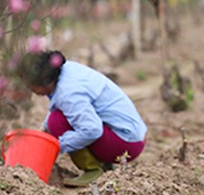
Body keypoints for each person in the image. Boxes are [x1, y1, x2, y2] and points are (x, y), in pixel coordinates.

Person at [22, 50, 148, 187]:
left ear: (46, 82)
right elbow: (64, 107)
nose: (30, 89)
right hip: (131, 136)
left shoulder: (69, 92)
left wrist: (57, 145)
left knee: (56, 122)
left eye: (31, 85)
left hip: (126, 145)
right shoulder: (64, 70)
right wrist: (43, 131)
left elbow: (92, 130)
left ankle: (92, 170)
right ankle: (104, 165)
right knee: (57, 120)